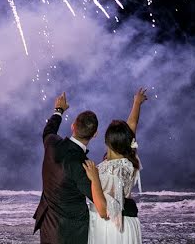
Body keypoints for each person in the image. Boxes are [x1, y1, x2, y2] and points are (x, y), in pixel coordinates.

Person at [34, 92, 109, 244]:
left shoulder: (52, 143)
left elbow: (49, 129)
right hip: (71, 233)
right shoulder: (84, 166)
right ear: (95, 134)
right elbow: (100, 204)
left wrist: (59, 110)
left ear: (73, 126)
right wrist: (95, 178)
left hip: (47, 226)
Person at [83, 88, 148, 244]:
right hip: (127, 225)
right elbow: (132, 124)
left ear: (107, 142)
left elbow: (104, 210)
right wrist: (136, 103)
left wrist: (95, 179)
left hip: (110, 228)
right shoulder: (129, 158)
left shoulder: (113, 170)